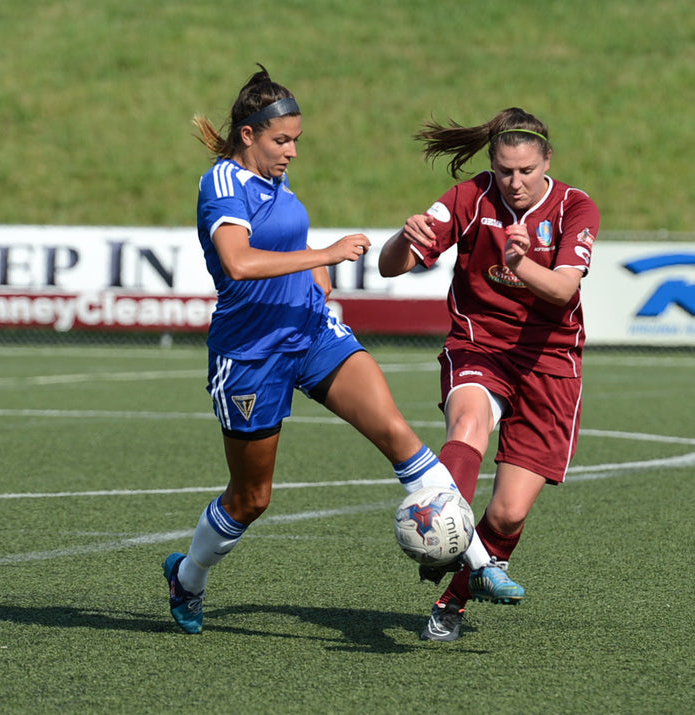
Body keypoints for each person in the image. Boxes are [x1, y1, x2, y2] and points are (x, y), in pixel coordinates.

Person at [162, 65, 512, 635]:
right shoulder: (221, 185)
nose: (293, 151)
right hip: (251, 354)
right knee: (252, 498)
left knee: (398, 435)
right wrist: (324, 253)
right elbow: (239, 263)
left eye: (297, 139)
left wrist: (316, 275)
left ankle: (481, 566)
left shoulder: (276, 182)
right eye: (282, 140)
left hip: (312, 332)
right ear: (248, 136)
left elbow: (283, 240)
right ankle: (189, 577)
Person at [379, 107, 600, 641]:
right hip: (480, 346)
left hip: (551, 362)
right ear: (492, 165)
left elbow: (564, 290)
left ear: (547, 161)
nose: (515, 182)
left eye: (526, 171)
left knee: (504, 515)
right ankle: (444, 536)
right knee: (468, 427)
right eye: (505, 171)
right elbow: (391, 266)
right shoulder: (469, 198)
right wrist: (401, 239)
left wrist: (521, 263)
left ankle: (451, 602)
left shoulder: (575, 207)